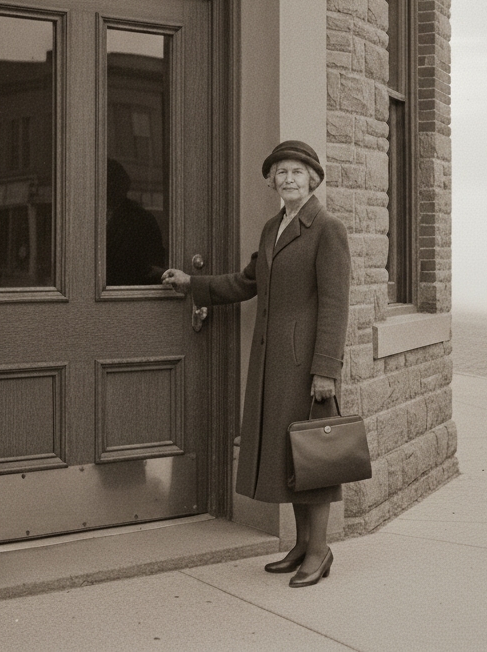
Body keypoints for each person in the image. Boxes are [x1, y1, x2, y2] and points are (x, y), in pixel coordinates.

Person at [162, 140, 350, 588]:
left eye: (297, 172)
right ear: (272, 182)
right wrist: (193, 284)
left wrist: (326, 369)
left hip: (306, 365)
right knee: (292, 455)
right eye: (280, 172)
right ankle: (302, 545)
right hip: (272, 365)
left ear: (313, 179)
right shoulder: (273, 228)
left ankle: (320, 551)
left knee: (313, 456)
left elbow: (335, 304)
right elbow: (246, 282)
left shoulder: (328, 229)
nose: (288, 179)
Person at [106, 158, 166, 286]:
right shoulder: (89, 215)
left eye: (110, 183)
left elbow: (153, 268)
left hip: (128, 291)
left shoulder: (141, 219)